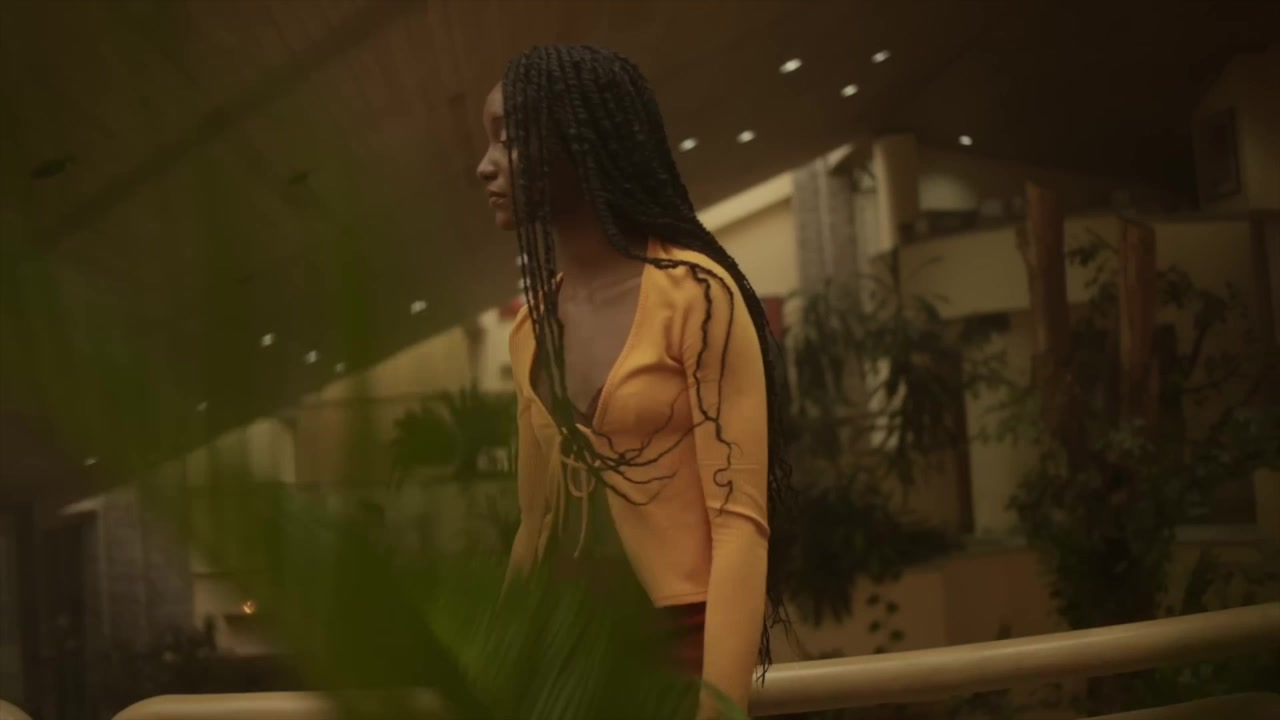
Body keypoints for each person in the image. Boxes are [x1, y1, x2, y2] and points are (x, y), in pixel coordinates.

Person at [475, 44, 793, 716]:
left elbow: (739, 526)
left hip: (675, 648)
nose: (486, 165)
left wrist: (719, 709)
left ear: (577, 142)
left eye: (509, 138)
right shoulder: (532, 327)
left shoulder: (697, 296)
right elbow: (533, 529)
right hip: (563, 658)